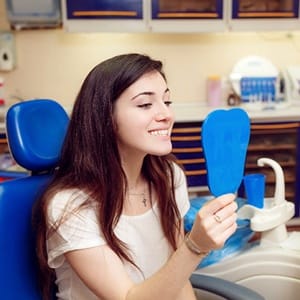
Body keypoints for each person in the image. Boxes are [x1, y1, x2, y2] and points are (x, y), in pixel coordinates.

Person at [34, 53, 237, 300]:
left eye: (167, 101)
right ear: (105, 118)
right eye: (145, 104)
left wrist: (190, 250)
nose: (166, 115)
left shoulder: (169, 177)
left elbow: (177, 278)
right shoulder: (71, 206)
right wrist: (195, 247)